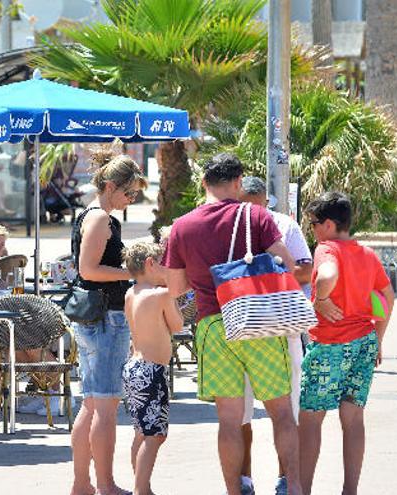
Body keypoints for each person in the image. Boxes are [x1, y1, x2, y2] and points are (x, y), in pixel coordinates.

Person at [164, 153, 302, 495]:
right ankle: (295, 487)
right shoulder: (254, 215)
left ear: (203, 183)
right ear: (238, 182)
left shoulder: (182, 226)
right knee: (281, 412)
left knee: (229, 419)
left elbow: (176, 288)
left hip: (214, 326)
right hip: (259, 324)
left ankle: (234, 490)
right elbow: (286, 263)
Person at [298, 192, 394, 495]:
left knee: (311, 420)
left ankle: (304, 489)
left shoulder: (326, 249)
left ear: (328, 224)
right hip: (363, 342)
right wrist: (378, 340)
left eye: (313, 224)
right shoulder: (366, 254)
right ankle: (349, 490)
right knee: (353, 419)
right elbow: (388, 297)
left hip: (329, 344)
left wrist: (321, 297)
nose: (312, 230)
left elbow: (328, 274)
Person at [70, 150, 146, 495]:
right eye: (129, 193)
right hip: (105, 318)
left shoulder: (89, 215)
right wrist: (130, 273)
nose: (131, 200)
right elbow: (88, 270)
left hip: (94, 318)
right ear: (111, 186)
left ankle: (83, 484)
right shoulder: (101, 219)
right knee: (105, 405)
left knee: (91, 403)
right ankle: (104, 484)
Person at [238, 176, 313, 495]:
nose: (254, 214)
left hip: (282, 330)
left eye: (258, 207)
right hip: (242, 329)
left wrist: (263, 276)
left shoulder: (284, 225)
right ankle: (244, 481)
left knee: (285, 411)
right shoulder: (232, 225)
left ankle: (285, 479)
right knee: (240, 414)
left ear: (265, 203)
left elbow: (307, 270)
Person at [121, 241, 183, 495]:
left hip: (133, 368)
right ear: (150, 264)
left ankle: (141, 485)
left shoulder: (130, 293)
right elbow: (177, 325)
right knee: (154, 435)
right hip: (151, 371)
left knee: (141, 432)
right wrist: (173, 294)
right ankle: (142, 489)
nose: (168, 269)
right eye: (164, 264)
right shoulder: (160, 295)